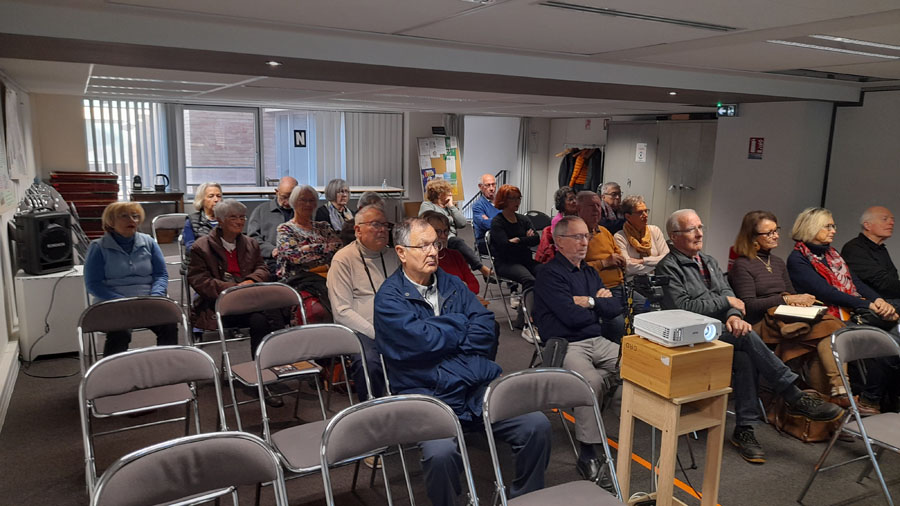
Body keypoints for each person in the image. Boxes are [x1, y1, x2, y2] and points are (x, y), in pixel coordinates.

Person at [374, 218, 551, 506]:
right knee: (440, 454)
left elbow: (485, 326)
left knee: (536, 425)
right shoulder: (389, 299)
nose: (433, 251)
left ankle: (524, 498)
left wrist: (443, 337)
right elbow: (422, 343)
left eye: (435, 244)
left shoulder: (452, 283)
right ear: (401, 252)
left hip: (472, 387)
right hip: (427, 394)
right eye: (423, 246)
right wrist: (460, 324)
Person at [655, 209, 843, 464]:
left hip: (718, 331)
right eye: (691, 230)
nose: (699, 234)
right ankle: (793, 395)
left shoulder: (708, 261)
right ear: (674, 235)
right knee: (746, 338)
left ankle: (745, 429)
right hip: (689, 336)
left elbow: (731, 296)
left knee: (744, 355)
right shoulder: (667, 267)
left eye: (700, 227)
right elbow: (683, 307)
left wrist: (733, 316)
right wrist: (727, 304)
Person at [533, 216, 622, 487]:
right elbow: (570, 317)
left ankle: (624, 429)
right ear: (559, 242)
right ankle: (588, 452)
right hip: (565, 344)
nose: (585, 242)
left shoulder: (590, 273)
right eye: (578, 237)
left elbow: (615, 308)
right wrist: (598, 306)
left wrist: (590, 302)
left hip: (597, 339)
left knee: (637, 366)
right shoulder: (548, 274)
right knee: (590, 382)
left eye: (587, 236)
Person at [787, 207, 899, 414]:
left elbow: (855, 283)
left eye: (833, 226)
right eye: (828, 226)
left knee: (893, 336)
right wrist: (868, 305)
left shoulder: (832, 254)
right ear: (812, 228)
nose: (834, 230)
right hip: (827, 318)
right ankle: (866, 399)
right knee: (883, 340)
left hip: (850, 312)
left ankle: (874, 398)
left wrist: (878, 300)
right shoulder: (798, 259)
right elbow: (826, 292)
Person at [729, 211, 845, 402]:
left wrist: (800, 300)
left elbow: (790, 294)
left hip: (785, 316)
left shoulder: (777, 262)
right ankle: (837, 393)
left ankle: (829, 394)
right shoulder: (742, 265)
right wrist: (786, 300)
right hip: (760, 323)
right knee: (829, 328)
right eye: (768, 233)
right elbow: (749, 305)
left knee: (825, 334)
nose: (775, 236)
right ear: (752, 237)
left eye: (776, 230)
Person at [187, 199, 285, 406]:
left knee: (263, 319)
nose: (240, 221)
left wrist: (249, 282)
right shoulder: (201, 247)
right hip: (218, 308)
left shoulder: (250, 243)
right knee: (271, 313)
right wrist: (232, 289)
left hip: (249, 303)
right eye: (233, 217)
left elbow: (262, 269)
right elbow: (199, 281)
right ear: (220, 220)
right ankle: (271, 369)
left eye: (242, 217)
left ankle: (260, 374)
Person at [84, 202, 176, 356]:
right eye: (124, 216)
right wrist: (121, 301)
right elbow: (93, 284)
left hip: (148, 301)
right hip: (114, 304)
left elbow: (161, 274)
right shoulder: (98, 247)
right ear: (111, 221)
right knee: (120, 332)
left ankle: (166, 363)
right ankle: (111, 368)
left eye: (135, 216)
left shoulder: (149, 242)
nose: (132, 220)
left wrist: (156, 296)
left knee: (169, 324)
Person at [326, 204, 398, 402]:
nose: (382, 230)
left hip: (396, 324)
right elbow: (341, 311)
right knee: (370, 362)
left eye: (385, 225)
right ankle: (373, 410)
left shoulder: (394, 256)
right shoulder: (343, 260)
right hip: (362, 329)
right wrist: (376, 333)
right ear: (358, 230)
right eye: (375, 224)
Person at [576, 191, 626, 343]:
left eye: (598, 206)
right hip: (599, 290)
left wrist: (621, 261)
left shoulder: (604, 231)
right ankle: (615, 352)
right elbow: (576, 269)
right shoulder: (576, 236)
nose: (596, 210)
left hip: (621, 285)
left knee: (646, 307)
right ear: (579, 209)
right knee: (619, 324)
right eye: (591, 206)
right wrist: (604, 263)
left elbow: (619, 256)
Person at [419, 179, 491, 279]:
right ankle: (482, 269)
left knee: (460, 254)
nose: (451, 194)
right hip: (439, 238)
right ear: (440, 194)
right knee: (458, 243)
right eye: (448, 192)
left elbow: (462, 223)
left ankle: (467, 278)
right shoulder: (427, 205)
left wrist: (452, 207)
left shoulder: (449, 208)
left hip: (450, 239)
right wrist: (450, 218)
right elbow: (432, 221)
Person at [274, 185, 342, 281]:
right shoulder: (285, 229)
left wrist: (306, 248)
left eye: (311, 200)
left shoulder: (323, 227)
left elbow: (339, 248)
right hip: (298, 281)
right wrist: (325, 248)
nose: (308, 204)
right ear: (293, 202)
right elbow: (294, 257)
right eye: (303, 200)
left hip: (328, 276)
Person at [841, 206, 900, 309]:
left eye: (892, 220)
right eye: (885, 219)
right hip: (873, 304)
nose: (891, 223)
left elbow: (892, 280)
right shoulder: (854, 248)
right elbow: (882, 283)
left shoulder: (881, 249)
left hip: (888, 301)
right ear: (867, 225)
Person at [247, 176, 298, 276]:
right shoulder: (261, 211)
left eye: (291, 197)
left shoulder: (301, 211)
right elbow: (252, 240)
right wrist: (272, 250)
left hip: (297, 261)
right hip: (270, 262)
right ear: (276, 192)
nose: (287, 202)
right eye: (284, 197)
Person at [613, 195, 669, 281]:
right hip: (634, 282)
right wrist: (656, 268)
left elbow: (667, 259)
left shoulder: (655, 230)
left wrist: (643, 261)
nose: (645, 215)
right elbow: (628, 267)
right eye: (640, 212)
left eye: (646, 211)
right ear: (628, 216)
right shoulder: (620, 237)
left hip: (659, 280)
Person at [535, 186, 577, 263]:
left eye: (575, 198)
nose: (575, 201)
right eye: (571, 199)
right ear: (562, 204)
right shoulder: (558, 220)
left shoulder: (577, 217)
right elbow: (560, 245)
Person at [183, 182, 222, 251]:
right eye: (211, 196)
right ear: (201, 199)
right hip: (202, 256)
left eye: (218, 196)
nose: (216, 200)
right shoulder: (191, 220)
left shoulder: (227, 219)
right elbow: (190, 248)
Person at [472, 173, 501, 255]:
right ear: (480, 187)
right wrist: (504, 220)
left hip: (503, 237)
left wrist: (491, 219)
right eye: (488, 185)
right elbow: (486, 224)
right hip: (486, 241)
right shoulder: (478, 206)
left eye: (493, 184)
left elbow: (512, 219)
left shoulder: (502, 202)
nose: (491, 188)